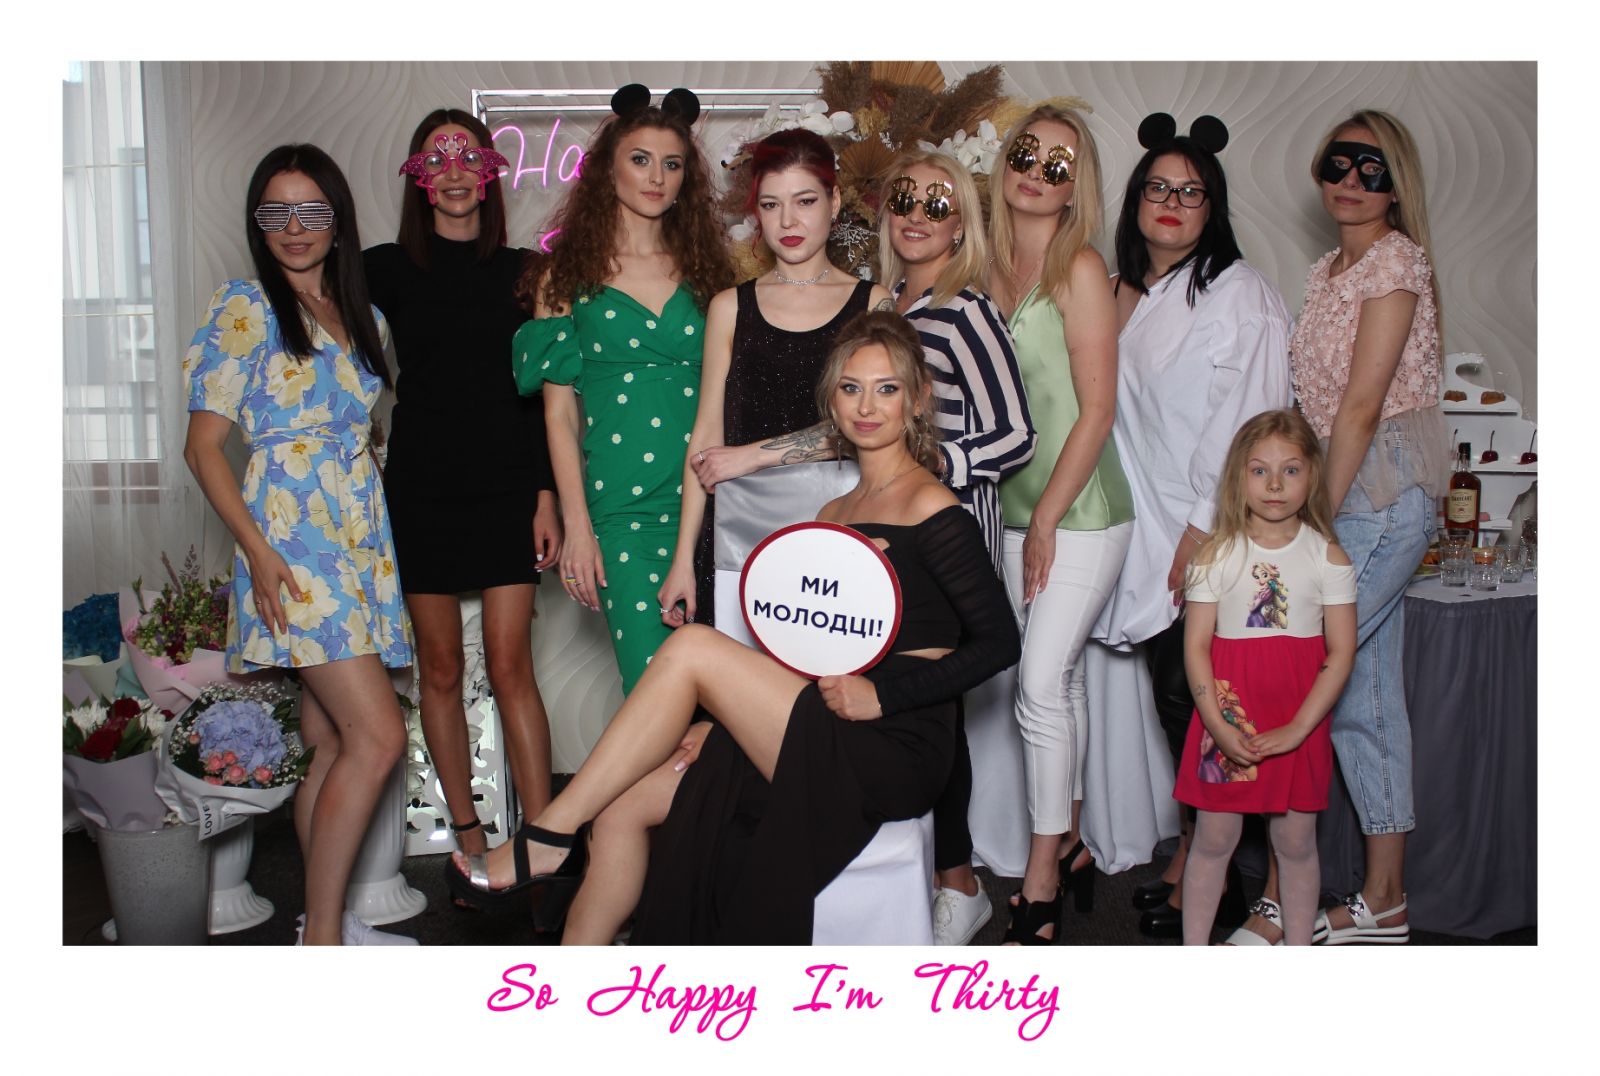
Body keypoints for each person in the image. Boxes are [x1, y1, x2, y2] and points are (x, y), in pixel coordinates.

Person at [449, 311, 1021, 945]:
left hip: (894, 740)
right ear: (832, 400)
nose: (867, 406)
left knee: (693, 645)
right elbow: (807, 648)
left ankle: (546, 836)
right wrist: (724, 720)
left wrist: (883, 696)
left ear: (916, 400)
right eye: (851, 388)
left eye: (886, 389)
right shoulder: (833, 512)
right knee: (619, 811)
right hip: (823, 716)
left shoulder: (931, 504)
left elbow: (1000, 643)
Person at [182, 144, 415, 945]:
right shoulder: (244, 308)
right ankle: (321, 947)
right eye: (274, 211)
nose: (293, 226)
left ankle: (327, 923)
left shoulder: (366, 317)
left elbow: (364, 434)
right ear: (258, 223)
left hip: (358, 537)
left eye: (311, 209)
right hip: (291, 540)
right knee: (378, 737)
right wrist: (257, 552)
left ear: (338, 221)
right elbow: (203, 449)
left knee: (327, 741)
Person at [1090, 113, 1294, 940]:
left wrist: (1203, 528)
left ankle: (1229, 885)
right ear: (1137, 200)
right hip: (1148, 524)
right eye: (1158, 188)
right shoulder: (1133, 290)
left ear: (1214, 208)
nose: (1172, 203)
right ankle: (1188, 862)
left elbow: (1250, 421)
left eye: (1191, 192)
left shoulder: (1241, 295)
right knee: (1177, 701)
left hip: (1208, 528)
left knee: (1204, 701)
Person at [364, 108, 561, 885]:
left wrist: (546, 494)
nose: (452, 173)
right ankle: (471, 836)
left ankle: (545, 841)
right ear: (418, 178)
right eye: (435, 160)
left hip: (509, 488)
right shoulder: (383, 269)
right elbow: (314, 322)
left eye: (467, 158)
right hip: (422, 491)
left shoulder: (526, 272)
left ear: (489, 173)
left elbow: (545, 396)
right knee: (440, 669)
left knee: (512, 667)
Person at [511, 84, 734, 696]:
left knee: (723, 703)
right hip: (623, 511)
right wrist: (577, 526)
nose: (656, 177)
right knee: (655, 694)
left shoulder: (713, 274)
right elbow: (559, 417)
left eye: (672, 163)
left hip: (715, 502)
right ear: (606, 169)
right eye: (640, 159)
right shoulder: (565, 277)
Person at [872, 148, 1037, 945]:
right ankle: (929, 873)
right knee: (905, 694)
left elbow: (1016, 432)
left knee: (932, 696)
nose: (917, 216)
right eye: (905, 199)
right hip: (889, 531)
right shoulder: (886, 304)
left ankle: (960, 883)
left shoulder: (966, 312)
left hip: (949, 533)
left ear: (961, 224)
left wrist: (941, 463)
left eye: (937, 205)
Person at [1291, 110, 1448, 944]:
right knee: (1365, 695)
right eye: (1339, 163)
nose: (1351, 181)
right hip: (1341, 482)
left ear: (1396, 184)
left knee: (1311, 665)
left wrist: (1313, 519)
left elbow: (1359, 407)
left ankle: (1288, 889)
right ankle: (1384, 901)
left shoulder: (1395, 262)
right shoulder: (1327, 270)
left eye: (1372, 168)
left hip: (1380, 493)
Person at [984, 103, 1134, 944]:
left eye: (1059, 165)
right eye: (1027, 154)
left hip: (1082, 512)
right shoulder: (981, 264)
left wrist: (1045, 520)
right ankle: (1070, 840)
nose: (1038, 173)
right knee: (1062, 682)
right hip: (1009, 510)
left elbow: (1097, 410)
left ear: (1077, 187)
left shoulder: (1080, 267)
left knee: (1038, 686)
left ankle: (1039, 879)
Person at [659, 127, 886, 630]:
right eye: (770, 204)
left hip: (840, 531)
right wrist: (682, 560)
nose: (787, 221)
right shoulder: (729, 307)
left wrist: (753, 455)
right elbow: (705, 439)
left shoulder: (874, 305)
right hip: (738, 534)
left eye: (805, 201)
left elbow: (877, 429)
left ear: (834, 201)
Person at [1173, 409, 1356, 945]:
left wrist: (1299, 728)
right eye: (1260, 470)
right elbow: (1196, 647)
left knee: (1296, 843)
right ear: (1239, 475)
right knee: (1213, 839)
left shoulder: (1327, 556)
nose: (1275, 484)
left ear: (1311, 476)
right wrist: (1217, 724)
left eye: (1290, 470)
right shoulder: (1214, 555)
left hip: (1300, 721)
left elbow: (1341, 651)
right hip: (1227, 717)